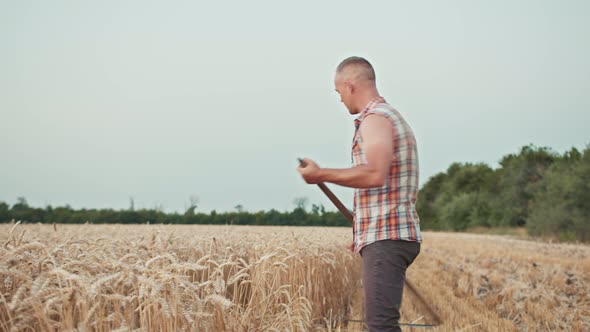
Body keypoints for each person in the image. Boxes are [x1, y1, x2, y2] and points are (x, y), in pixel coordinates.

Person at [297, 56, 422, 332]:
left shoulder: (376, 118)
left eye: (338, 91)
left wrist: (321, 174)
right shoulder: (385, 116)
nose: (340, 99)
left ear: (350, 85)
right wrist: (362, 235)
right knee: (379, 324)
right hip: (385, 235)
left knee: (380, 327)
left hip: (387, 236)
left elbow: (374, 173)